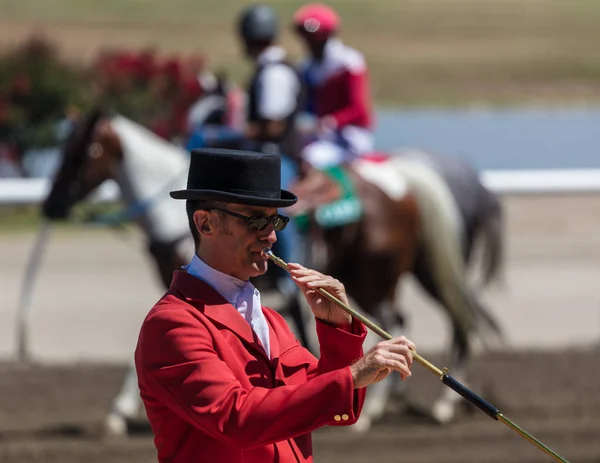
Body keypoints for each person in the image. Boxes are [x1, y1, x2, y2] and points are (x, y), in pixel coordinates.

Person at [134, 148, 417, 462]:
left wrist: (337, 330)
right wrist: (353, 375)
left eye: (275, 222)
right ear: (206, 224)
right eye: (256, 222)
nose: (270, 237)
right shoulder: (174, 324)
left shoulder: (270, 320)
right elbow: (237, 420)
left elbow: (335, 409)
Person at [236, 4, 304, 300]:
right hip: (263, 155)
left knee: (277, 207)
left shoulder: (274, 73)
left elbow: (273, 126)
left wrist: (231, 133)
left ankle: (289, 277)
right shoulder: (269, 69)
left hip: (275, 157)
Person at [292, 3, 375, 169]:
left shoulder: (349, 63)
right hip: (317, 136)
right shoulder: (306, 67)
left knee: (312, 158)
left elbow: (359, 109)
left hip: (349, 136)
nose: (310, 44)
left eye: (315, 39)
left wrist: (330, 122)